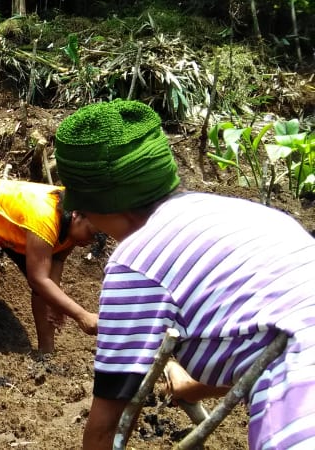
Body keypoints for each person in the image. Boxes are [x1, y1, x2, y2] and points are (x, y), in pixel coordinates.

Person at [53, 99, 315, 450]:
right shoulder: (259, 218)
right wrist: (195, 387)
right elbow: (273, 338)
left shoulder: (137, 261)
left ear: (102, 206)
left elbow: (107, 427)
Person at [0, 179, 100, 357]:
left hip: (19, 230)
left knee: (46, 290)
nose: (91, 241)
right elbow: (38, 280)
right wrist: (82, 316)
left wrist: (56, 303)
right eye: (91, 234)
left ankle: (46, 352)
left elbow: (57, 261)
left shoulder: (74, 227)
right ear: (76, 215)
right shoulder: (45, 216)